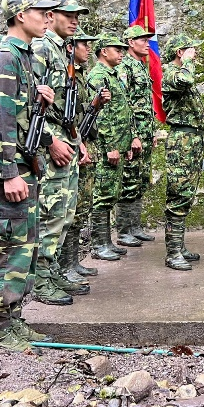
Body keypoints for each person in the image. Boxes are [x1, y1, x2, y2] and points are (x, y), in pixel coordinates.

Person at [0, 0, 59, 351]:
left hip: (23, 165)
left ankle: (14, 320)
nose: (47, 18)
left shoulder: (24, 56)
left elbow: (22, 115)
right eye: (41, 12)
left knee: (24, 247)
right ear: (21, 16)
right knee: (7, 246)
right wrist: (9, 173)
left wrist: (40, 98)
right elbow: (0, 119)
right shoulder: (6, 57)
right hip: (7, 169)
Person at [30, 0, 91, 305]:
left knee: (64, 214)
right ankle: (41, 281)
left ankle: (52, 272)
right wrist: (50, 141)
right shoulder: (41, 48)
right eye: (69, 15)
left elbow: (66, 106)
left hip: (66, 140)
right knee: (51, 214)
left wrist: (77, 141)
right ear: (50, 16)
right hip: (51, 143)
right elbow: (29, 104)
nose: (75, 21)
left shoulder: (63, 51)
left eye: (77, 16)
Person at [55, 28, 108, 287]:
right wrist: (79, 144)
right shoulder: (65, 74)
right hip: (72, 146)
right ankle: (64, 266)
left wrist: (97, 102)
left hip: (83, 144)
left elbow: (80, 113)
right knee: (71, 210)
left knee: (81, 207)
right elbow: (65, 116)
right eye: (84, 44)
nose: (88, 49)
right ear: (70, 47)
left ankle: (72, 262)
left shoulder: (81, 74)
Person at [87, 34, 134, 261]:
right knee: (103, 195)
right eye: (117, 49)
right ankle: (98, 245)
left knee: (111, 193)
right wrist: (110, 147)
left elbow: (122, 111)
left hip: (118, 144)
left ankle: (106, 241)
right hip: (107, 146)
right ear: (104, 51)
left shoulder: (113, 75)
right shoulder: (98, 76)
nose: (121, 53)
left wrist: (127, 142)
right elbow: (101, 115)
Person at [161, 34, 204, 271]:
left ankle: (179, 246)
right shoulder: (171, 72)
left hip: (191, 140)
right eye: (190, 49)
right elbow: (186, 80)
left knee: (186, 194)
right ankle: (172, 253)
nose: (195, 53)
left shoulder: (180, 72)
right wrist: (187, 61)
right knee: (178, 195)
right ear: (180, 52)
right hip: (181, 141)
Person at [116, 25, 159, 247]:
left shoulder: (140, 66)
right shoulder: (124, 67)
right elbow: (125, 104)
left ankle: (135, 227)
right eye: (143, 40)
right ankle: (124, 231)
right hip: (133, 136)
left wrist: (151, 132)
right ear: (131, 43)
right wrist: (132, 136)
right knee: (129, 182)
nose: (147, 44)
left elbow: (145, 104)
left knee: (140, 180)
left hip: (144, 134)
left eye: (148, 40)